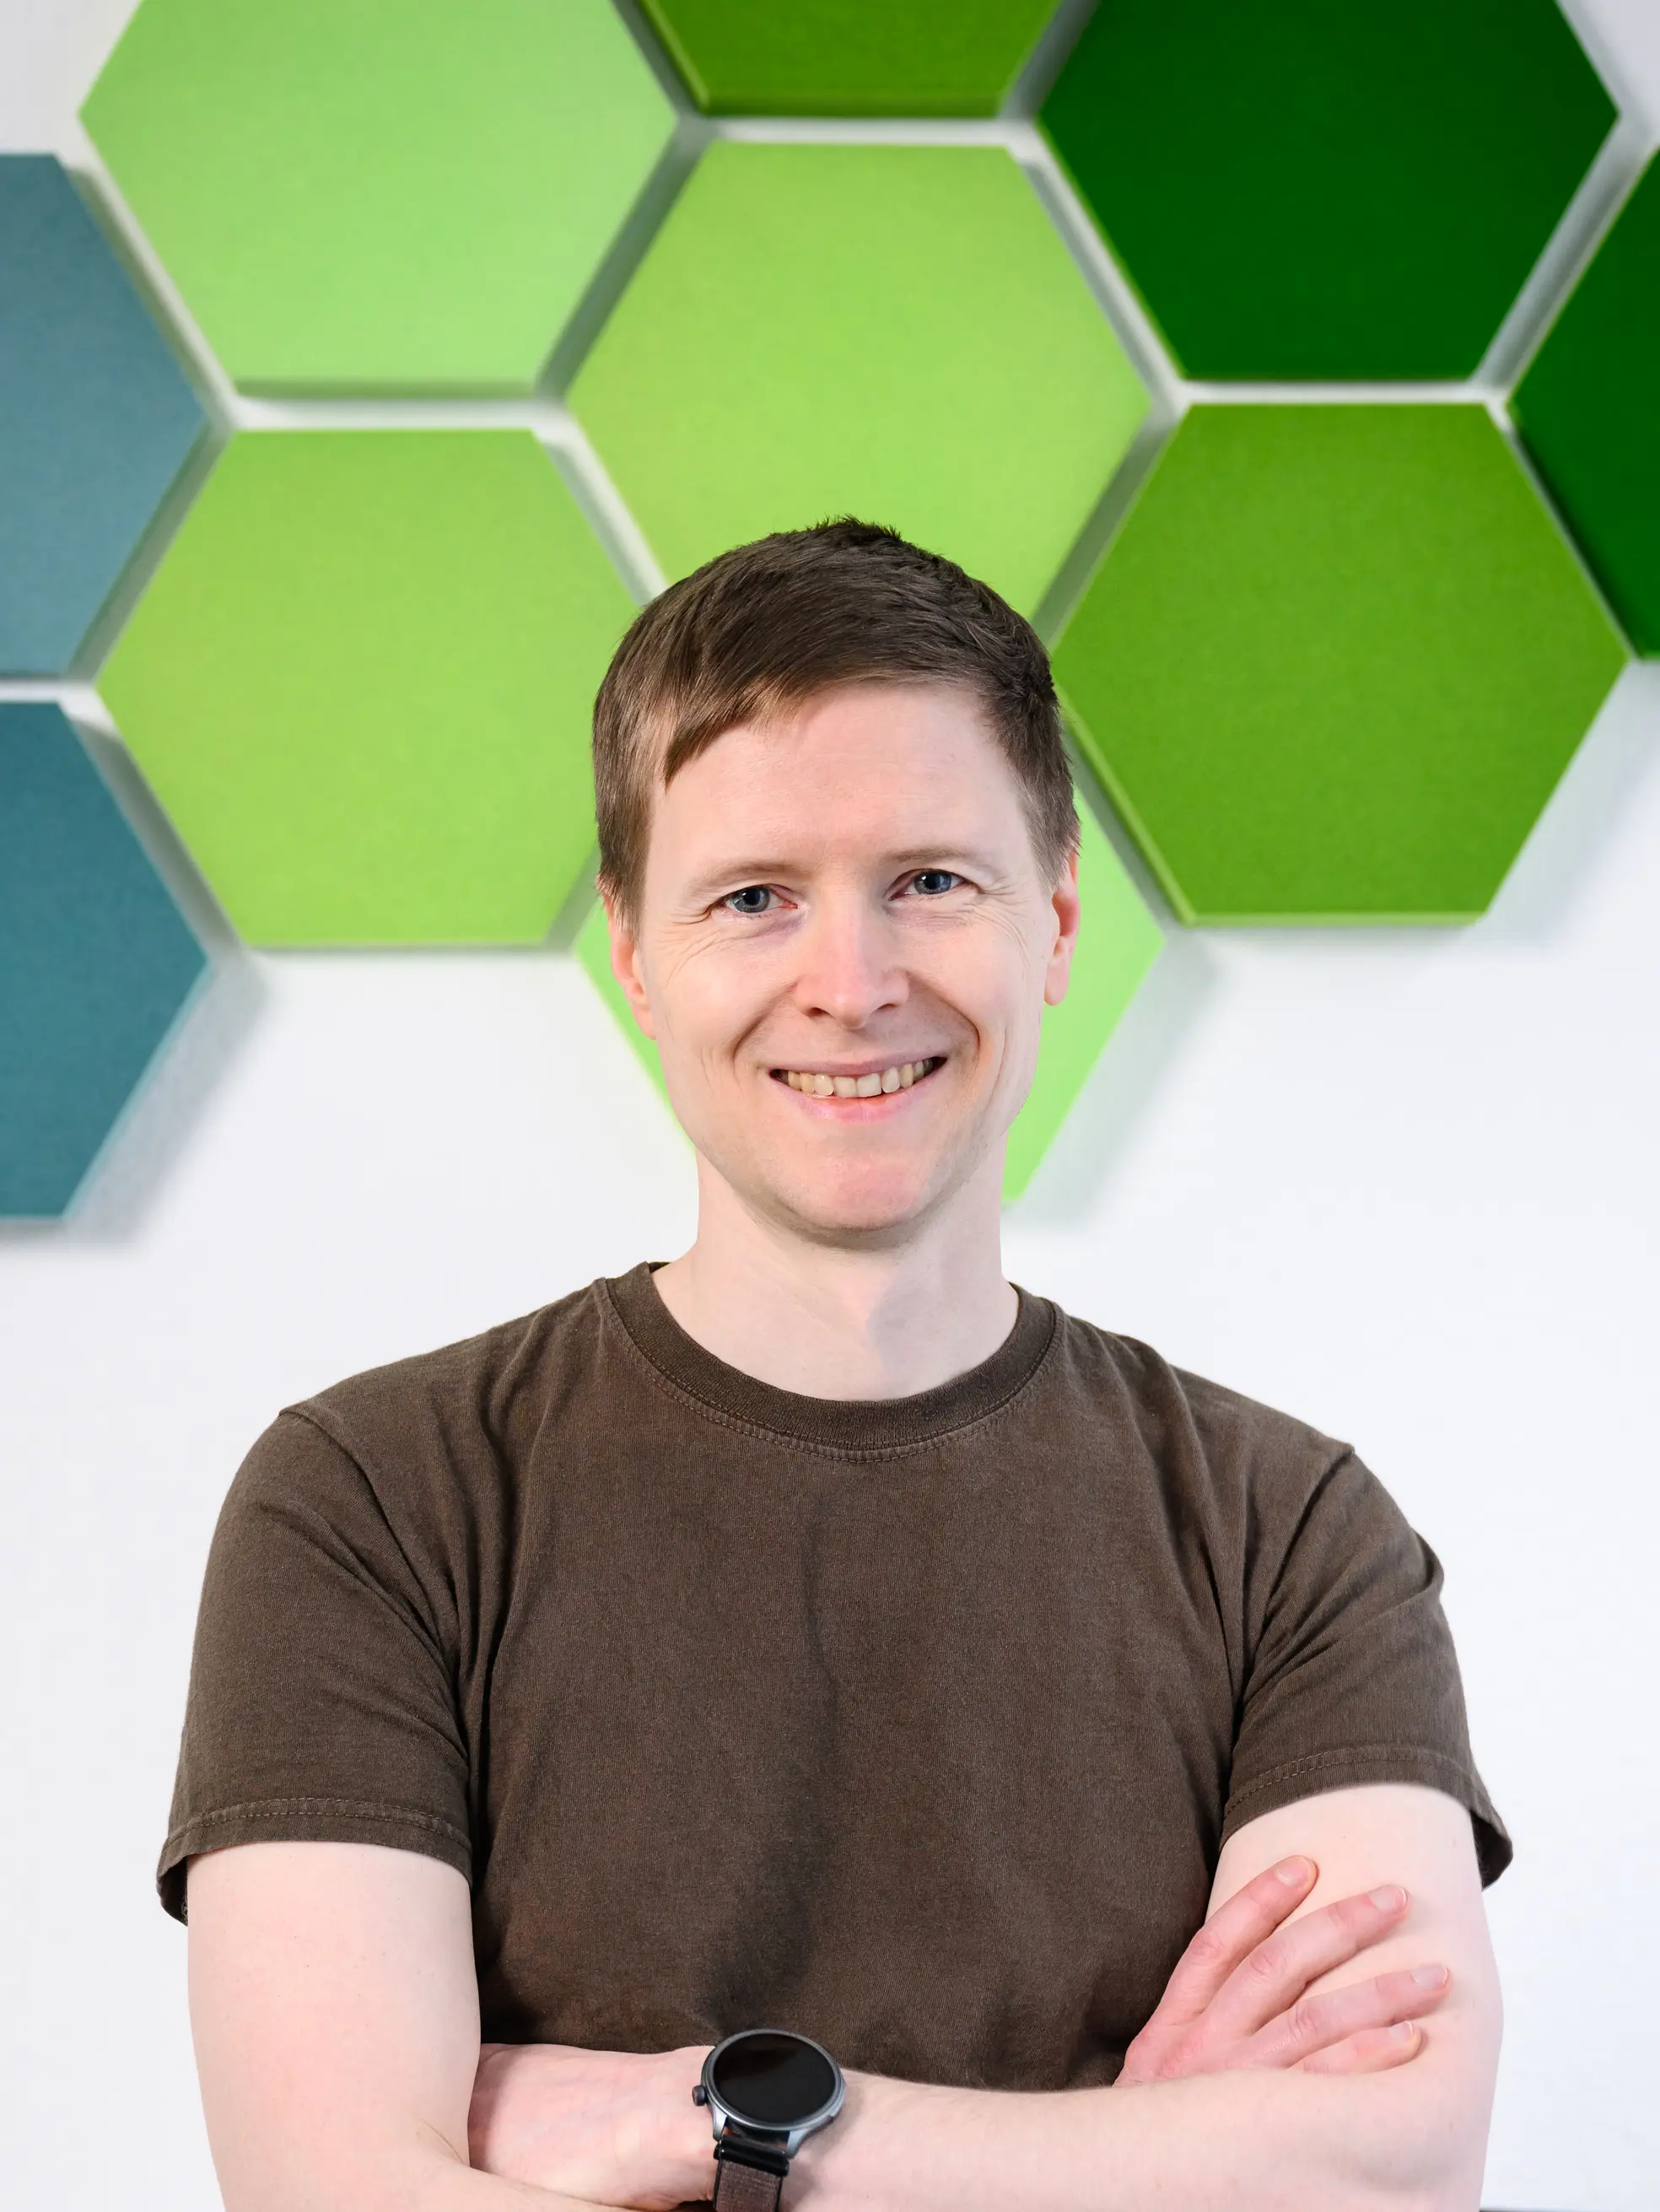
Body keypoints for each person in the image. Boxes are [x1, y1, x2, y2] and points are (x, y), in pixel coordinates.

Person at [165, 521, 1508, 2212]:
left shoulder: (1287, 1531)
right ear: (635, 955)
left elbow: (1388, 2180)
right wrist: (1128, 2154)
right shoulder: (377, 1500)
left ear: (1057, 922)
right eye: (754, 899)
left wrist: (725, 2125)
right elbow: (332, 2193)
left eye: (931, 881)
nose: (852, 986)